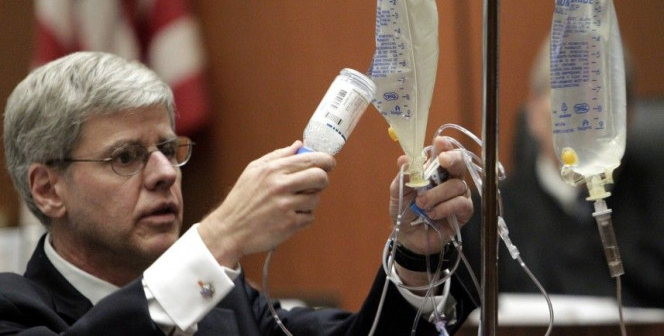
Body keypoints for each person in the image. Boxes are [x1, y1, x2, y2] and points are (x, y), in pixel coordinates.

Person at [0, 51, 477, 335]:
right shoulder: (15, 311)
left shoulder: (225, 300)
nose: (166, 173)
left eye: (168, 148)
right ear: (48, 190)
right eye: (125, 157)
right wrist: (220, 237)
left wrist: (415, 258)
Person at [462, 37, 664, 312]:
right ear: (534, 112)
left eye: (601, 100)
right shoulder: (487, 216)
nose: (585, 116)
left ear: (627, 114)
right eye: (569, 97)